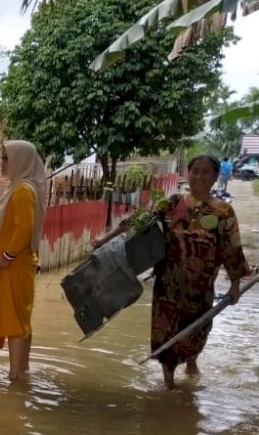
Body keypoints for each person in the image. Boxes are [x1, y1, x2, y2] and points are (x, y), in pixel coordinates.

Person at [95, 154, 250, 389]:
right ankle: (169, 386)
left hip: (201, 290)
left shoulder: (223, 212)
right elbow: (138, 222)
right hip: (168, 287)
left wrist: (235, 284)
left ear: (216, 176)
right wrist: (104, 241)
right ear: (188, 173)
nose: (199, 176)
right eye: (195, 170)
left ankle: (191, 362)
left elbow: (233, 249)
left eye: (205, 172)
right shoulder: (173, 203)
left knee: (197, 332)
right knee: (165, 334)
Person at [0, 140, 48, 381]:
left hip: (15, 266)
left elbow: (24, 229)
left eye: (6, 159)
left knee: (14, 322)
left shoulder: (22, 190)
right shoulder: (20, 188)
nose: (2, 164)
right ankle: (23, 369)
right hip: (19, 265)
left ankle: (14, 377)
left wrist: (6, 256)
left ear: (20, 162)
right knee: (22, 320)